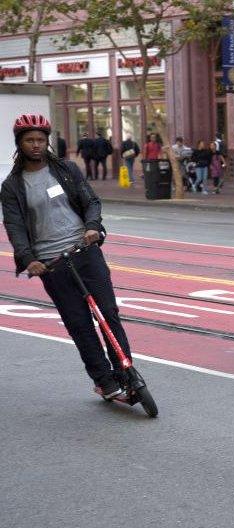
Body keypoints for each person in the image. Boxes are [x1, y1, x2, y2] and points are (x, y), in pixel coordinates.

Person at [1, 114, 132, 398]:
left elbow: (91, 202)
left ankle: (126, 373)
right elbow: (15, 227)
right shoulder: (12, 186)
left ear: (47, 141)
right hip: (52, 265)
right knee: (79, 324)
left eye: (40, 139)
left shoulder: (66, 170)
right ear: (19, 144)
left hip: (85, 251)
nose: (36, 145)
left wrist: (92, 228)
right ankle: (104, 382)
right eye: (29, 140)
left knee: (108, 313)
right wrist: (28, 260)